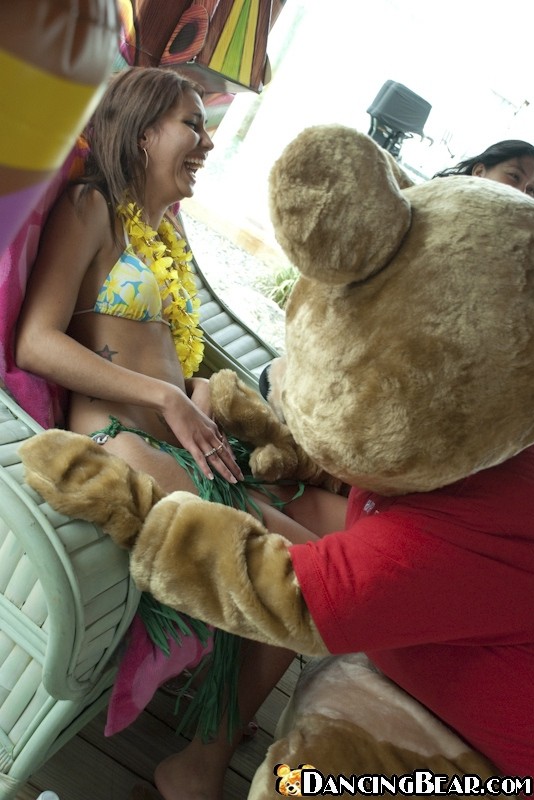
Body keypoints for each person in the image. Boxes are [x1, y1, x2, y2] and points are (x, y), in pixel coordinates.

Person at [15, 66, 347, 799]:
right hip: (123, 451)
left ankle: (210, 741)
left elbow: (175, 351)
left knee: (340, 532)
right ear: (140, 131)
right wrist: (166, 395)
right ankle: (199, 762)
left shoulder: (164, 232)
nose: (208, 139)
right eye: (192, 123)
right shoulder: (91, 206)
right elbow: (36, 342)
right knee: (319, 584)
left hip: (187, 448)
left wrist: (196, 389)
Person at [433, 138, 534, 196]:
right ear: (479, 172)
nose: (522, 193)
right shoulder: (433, 200)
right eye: (514, 176)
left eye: (531, 189)